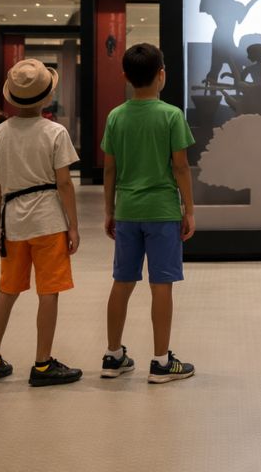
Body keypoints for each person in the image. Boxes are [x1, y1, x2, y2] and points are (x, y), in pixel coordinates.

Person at [0, 58, 82, 387]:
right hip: (48, 222)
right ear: (46, 97)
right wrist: (73, 226)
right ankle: (43, 363)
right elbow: (64, 183)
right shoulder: (55, 132)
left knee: (7, 290)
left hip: (14, 223)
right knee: (48, 291)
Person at [101, 43, 197, 383]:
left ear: (126, 77)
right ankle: (160, 362)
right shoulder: (171, 116)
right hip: (162, 211)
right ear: (162, 75)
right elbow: (181, 167)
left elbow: (109, 170)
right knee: (162, 284)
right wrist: (189, 209)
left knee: (122, 282)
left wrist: (109, 210)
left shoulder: (116, 116)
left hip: (127, 210)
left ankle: (113, 356)